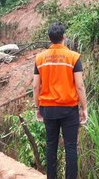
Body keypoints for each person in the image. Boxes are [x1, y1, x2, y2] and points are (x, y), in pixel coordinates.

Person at [33, 22, 88, 179]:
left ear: (50, 39)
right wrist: (84, 108)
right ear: (64, 37)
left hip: (48, 108)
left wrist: (37, 107)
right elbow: (80, 85)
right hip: (69, 109)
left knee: (51, 146)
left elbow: (36, 86)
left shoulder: (40, 58)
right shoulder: (73, 57)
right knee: (71, 147)